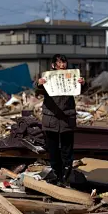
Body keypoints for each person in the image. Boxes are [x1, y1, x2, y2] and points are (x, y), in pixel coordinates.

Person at [36, 54, 85, 187]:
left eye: (64, 63)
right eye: (59, 63)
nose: (62, 66)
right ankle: (56, 175)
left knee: (67, 150)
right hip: (50, 118)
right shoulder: (48, 78)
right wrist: (39, 84)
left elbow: (82, 90)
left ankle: (66, 178)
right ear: (53, 66)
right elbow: (37, 90)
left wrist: (82, 84)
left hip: (67, 118)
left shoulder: (71, 77)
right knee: (53, 150)